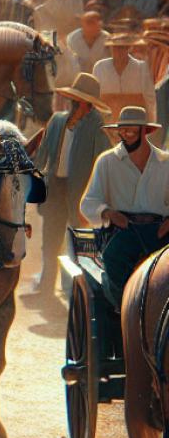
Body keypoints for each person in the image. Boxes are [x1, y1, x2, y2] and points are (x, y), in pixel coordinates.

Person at [27, 73, 112, 295]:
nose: (77, 104)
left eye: (82, 101)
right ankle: (46, 286)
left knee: (78, 241)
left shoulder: (97, 127)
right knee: (50, 241)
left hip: (80, 192)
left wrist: (96, 195)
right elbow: (43, 156)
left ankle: (73, 289)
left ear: (88, 103)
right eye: (76, 99)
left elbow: (101, 162)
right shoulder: (57, 121)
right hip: (55, 188)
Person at [81, 106, 169, 308]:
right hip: (122, 229)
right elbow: (88, 203)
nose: (126, 135)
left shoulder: (165, 162)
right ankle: (125, 311)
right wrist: (109, 213)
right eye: (122, 130)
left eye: (131, 130)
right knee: (114, 259)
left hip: (160, 230)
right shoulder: (107, 161)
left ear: (144, 131)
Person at [93, 33, 156, 127]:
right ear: (110, 48)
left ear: (128, 48)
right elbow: (94, 98)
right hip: (107, 122)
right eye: (115, 47)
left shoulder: (141, 67)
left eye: (122, 48)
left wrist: (151, 123)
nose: (118, 51)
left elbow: (150, 98)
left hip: (134, 122)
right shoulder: (100, 67)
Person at [66, 10, 110, 74]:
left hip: (102, 76)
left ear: (100, 24)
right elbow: (70, 62)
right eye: (88, 22)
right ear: (82, 24)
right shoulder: (72, 38)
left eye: (93, 22)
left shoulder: (107, 38)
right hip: (79, 76)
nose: (90, 25)